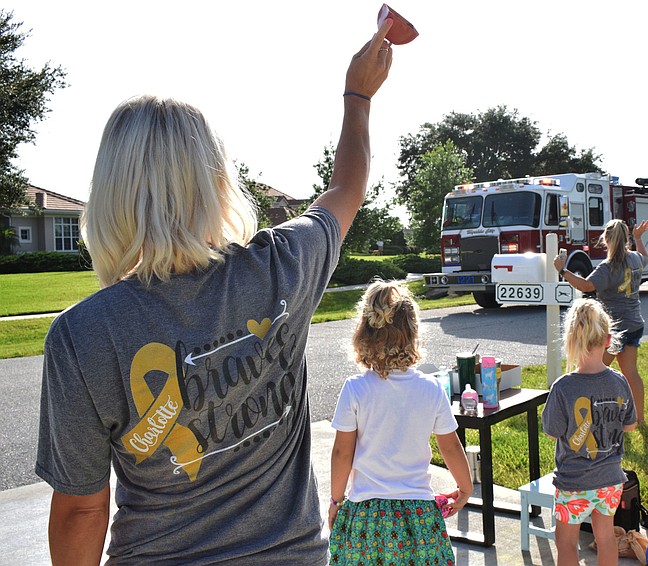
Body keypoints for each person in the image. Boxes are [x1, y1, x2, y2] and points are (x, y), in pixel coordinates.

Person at [34, 20, 395, 565]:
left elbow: (81, 511)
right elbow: (347, 186)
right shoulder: (281, 265)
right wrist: (358, 96)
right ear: (215, 181)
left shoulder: (82, 335)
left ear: (110, 193)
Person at [327, 280, 472, 564]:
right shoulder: (430, 388)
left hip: (366, 516)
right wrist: (465, 488)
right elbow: (451, 447)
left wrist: (335, 500)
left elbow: (342, 453)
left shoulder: (355, 388)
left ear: (364, 334)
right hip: (418, 516)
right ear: (414, 334)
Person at [542, 298, 637, 566]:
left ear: (570, 340)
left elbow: (553, 432)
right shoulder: (619, 381)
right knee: (606, 538)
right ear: (608, 340)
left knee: (566, 543)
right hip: (610, 480)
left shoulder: (563, 387)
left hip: (573, 483)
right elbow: (630, 424)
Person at [554, 218, 648, 423]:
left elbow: (587, 286)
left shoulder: (608, 267)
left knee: (592, 372)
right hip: (634, 324)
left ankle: (590, 418)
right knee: (631, 373)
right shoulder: (634, 259)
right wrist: (639, 238)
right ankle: (638, 419)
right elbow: (645, 257)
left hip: (613, 329)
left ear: (606, 239)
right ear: (626, 239)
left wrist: (562, 270)